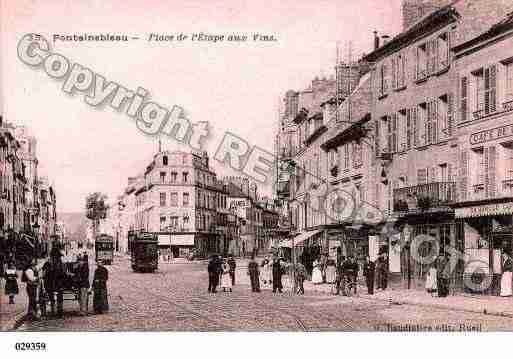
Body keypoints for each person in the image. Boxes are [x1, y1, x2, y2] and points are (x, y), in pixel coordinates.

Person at [42, 252, 66, 317]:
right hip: (52, 283)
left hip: (56, 283)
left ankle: (58, 311)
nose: (57, 258)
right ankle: (56, 311)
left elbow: (63, 274)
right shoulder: (48, 264)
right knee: (54, 297)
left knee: (57, 298)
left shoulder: (60, 264)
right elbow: (44, 274)